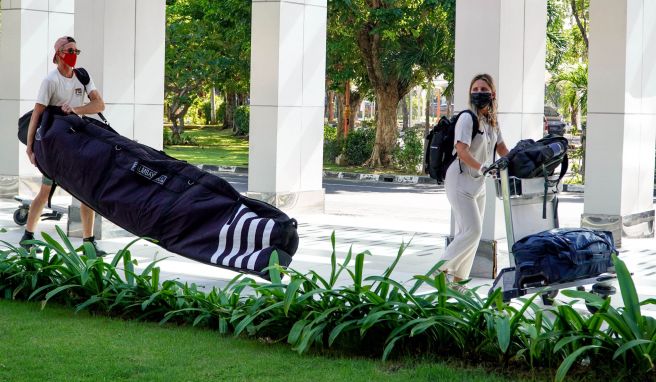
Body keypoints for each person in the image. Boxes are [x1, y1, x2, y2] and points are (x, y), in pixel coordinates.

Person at [21, 36, 107, 256]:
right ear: (59, 53)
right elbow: (37, 114)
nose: (73, 54)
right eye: (69, 50)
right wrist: (30, 147)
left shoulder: (83, 76)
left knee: (85, 192)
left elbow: (99, 104)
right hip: (55, 145)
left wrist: (77, 110)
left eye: (76, 51)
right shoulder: (51, 80)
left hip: (78, 141)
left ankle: (89, 243)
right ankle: (28, 236)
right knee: (46, 190)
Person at [438, 73, 509, 289]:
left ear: (492, 93)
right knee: (473, 231)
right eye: (475, 89)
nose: (479, 93)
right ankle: (439, 271)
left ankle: (459, 282)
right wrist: (483, 167)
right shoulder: (467, 118)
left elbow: (502, 149)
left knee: (471, 235)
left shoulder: (491, 121)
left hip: (478, 183)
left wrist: (523, 160)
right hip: (459, 180)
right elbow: (461, 151)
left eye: (483, 89)